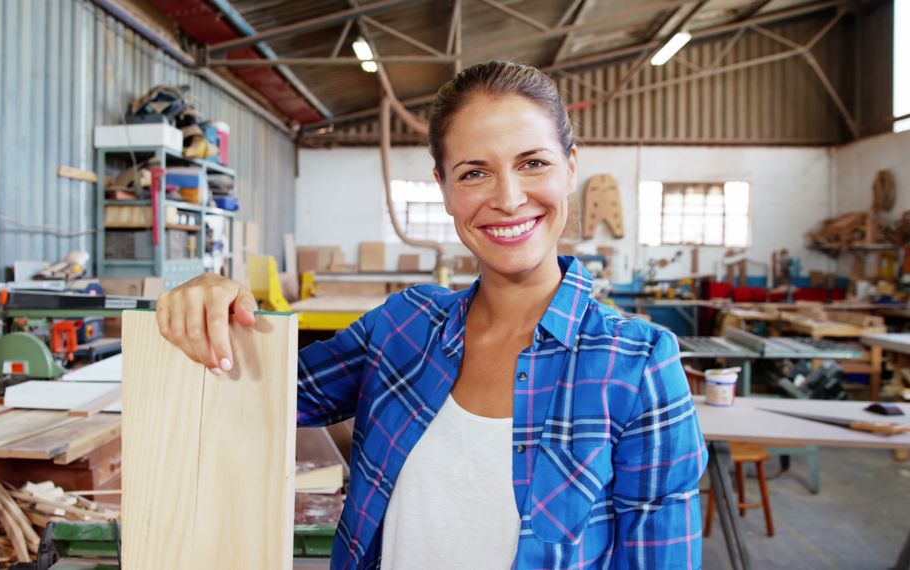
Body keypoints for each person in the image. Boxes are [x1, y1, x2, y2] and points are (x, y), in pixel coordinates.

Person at [157, 60, 707, 569]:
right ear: (443, 189)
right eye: (474, 173)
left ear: (570, 168)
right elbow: (253, 393)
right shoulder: (403, 327)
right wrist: (209, 303)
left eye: (533, 163)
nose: (509, 199)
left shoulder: (636, 364)